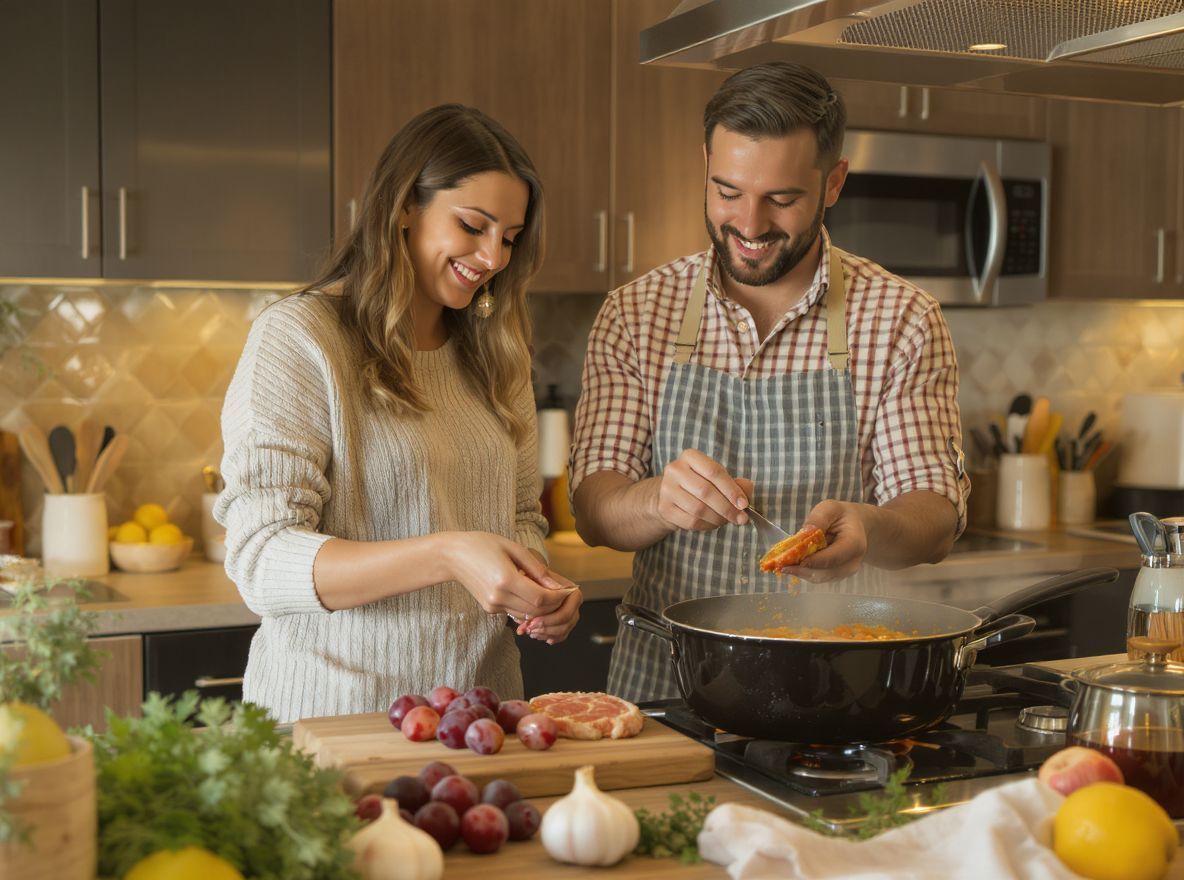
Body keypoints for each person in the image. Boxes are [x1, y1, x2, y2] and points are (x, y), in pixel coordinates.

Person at [570, 63, 970, 703]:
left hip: (837, 686)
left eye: (781, 200)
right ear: (704, 163)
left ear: (833, 181)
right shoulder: (637, 312)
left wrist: (869, 527)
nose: (749, 225)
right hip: (669, 687)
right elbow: (593, 509)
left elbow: (934, 517)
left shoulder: (901, 318)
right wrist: (658, 502)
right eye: (727, 191)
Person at [217, 104, 582, 723]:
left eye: (510, 238)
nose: (493, 257)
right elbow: (261, 557)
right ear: (404, 208)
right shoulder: (301, 338)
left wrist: (537, 589)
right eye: (473, 225)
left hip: (478, 719)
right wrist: (447, 554)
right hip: (332, 721)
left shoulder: (500, 352)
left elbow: (519, 517)